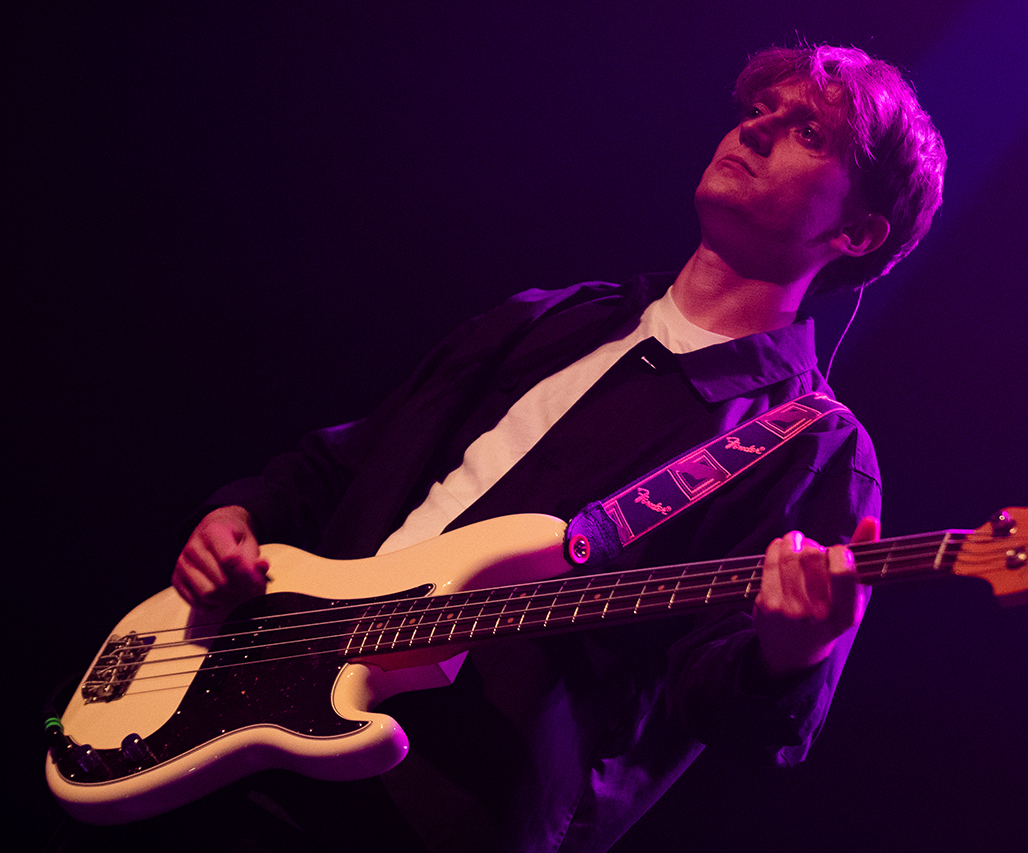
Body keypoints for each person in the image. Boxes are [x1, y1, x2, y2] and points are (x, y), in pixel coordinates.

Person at [170, 44, 945, 852]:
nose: (755, 131)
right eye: (758, 110)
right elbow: (345, 465)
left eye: (808, 133)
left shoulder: (811, 447)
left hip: (429, 807)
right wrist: (238, 512)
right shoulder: (548, 317)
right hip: (233, 710)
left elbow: (724, 704)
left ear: (857, 232)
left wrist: (792, 651)